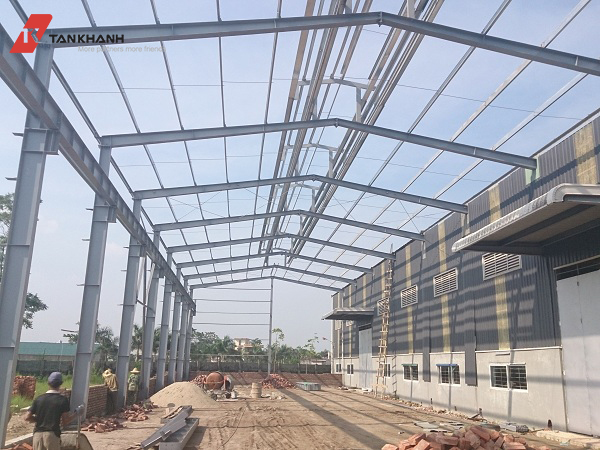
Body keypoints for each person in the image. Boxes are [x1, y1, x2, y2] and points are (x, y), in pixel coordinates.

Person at [25, 372, 73, 450]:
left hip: (37, 435)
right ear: (60, 383)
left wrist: (38, 419)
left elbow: (27, 417)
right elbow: (65, 421)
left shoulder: (39, 399)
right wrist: (77, 413)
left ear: (48, 383)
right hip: (52, 435)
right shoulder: (62, 400)